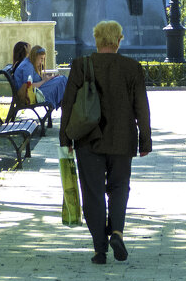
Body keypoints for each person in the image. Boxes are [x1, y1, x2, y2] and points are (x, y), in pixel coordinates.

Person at [60, 20, 151, 265]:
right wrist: (145, 139)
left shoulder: (81, 66)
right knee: (120, 187)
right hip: (123, 139)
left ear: (96, 40)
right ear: (119, 40)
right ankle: (117, 233)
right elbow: (141, 106)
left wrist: (65, 137)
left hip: (88, 138)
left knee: (93, 193)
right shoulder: (132, 68)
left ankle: (100, 249)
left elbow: (68, 103)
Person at [13, 44, 68, 112]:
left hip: (36, 92)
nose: (41, 62)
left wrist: (48, 79)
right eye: (41, 59)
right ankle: (69, 108)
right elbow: (28, 86)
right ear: (35, 57)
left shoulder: (28, 63)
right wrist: (44, 81)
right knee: (62, 80)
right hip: (34, 96)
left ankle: (67, 106)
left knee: (61, 79)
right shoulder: (27, 66)